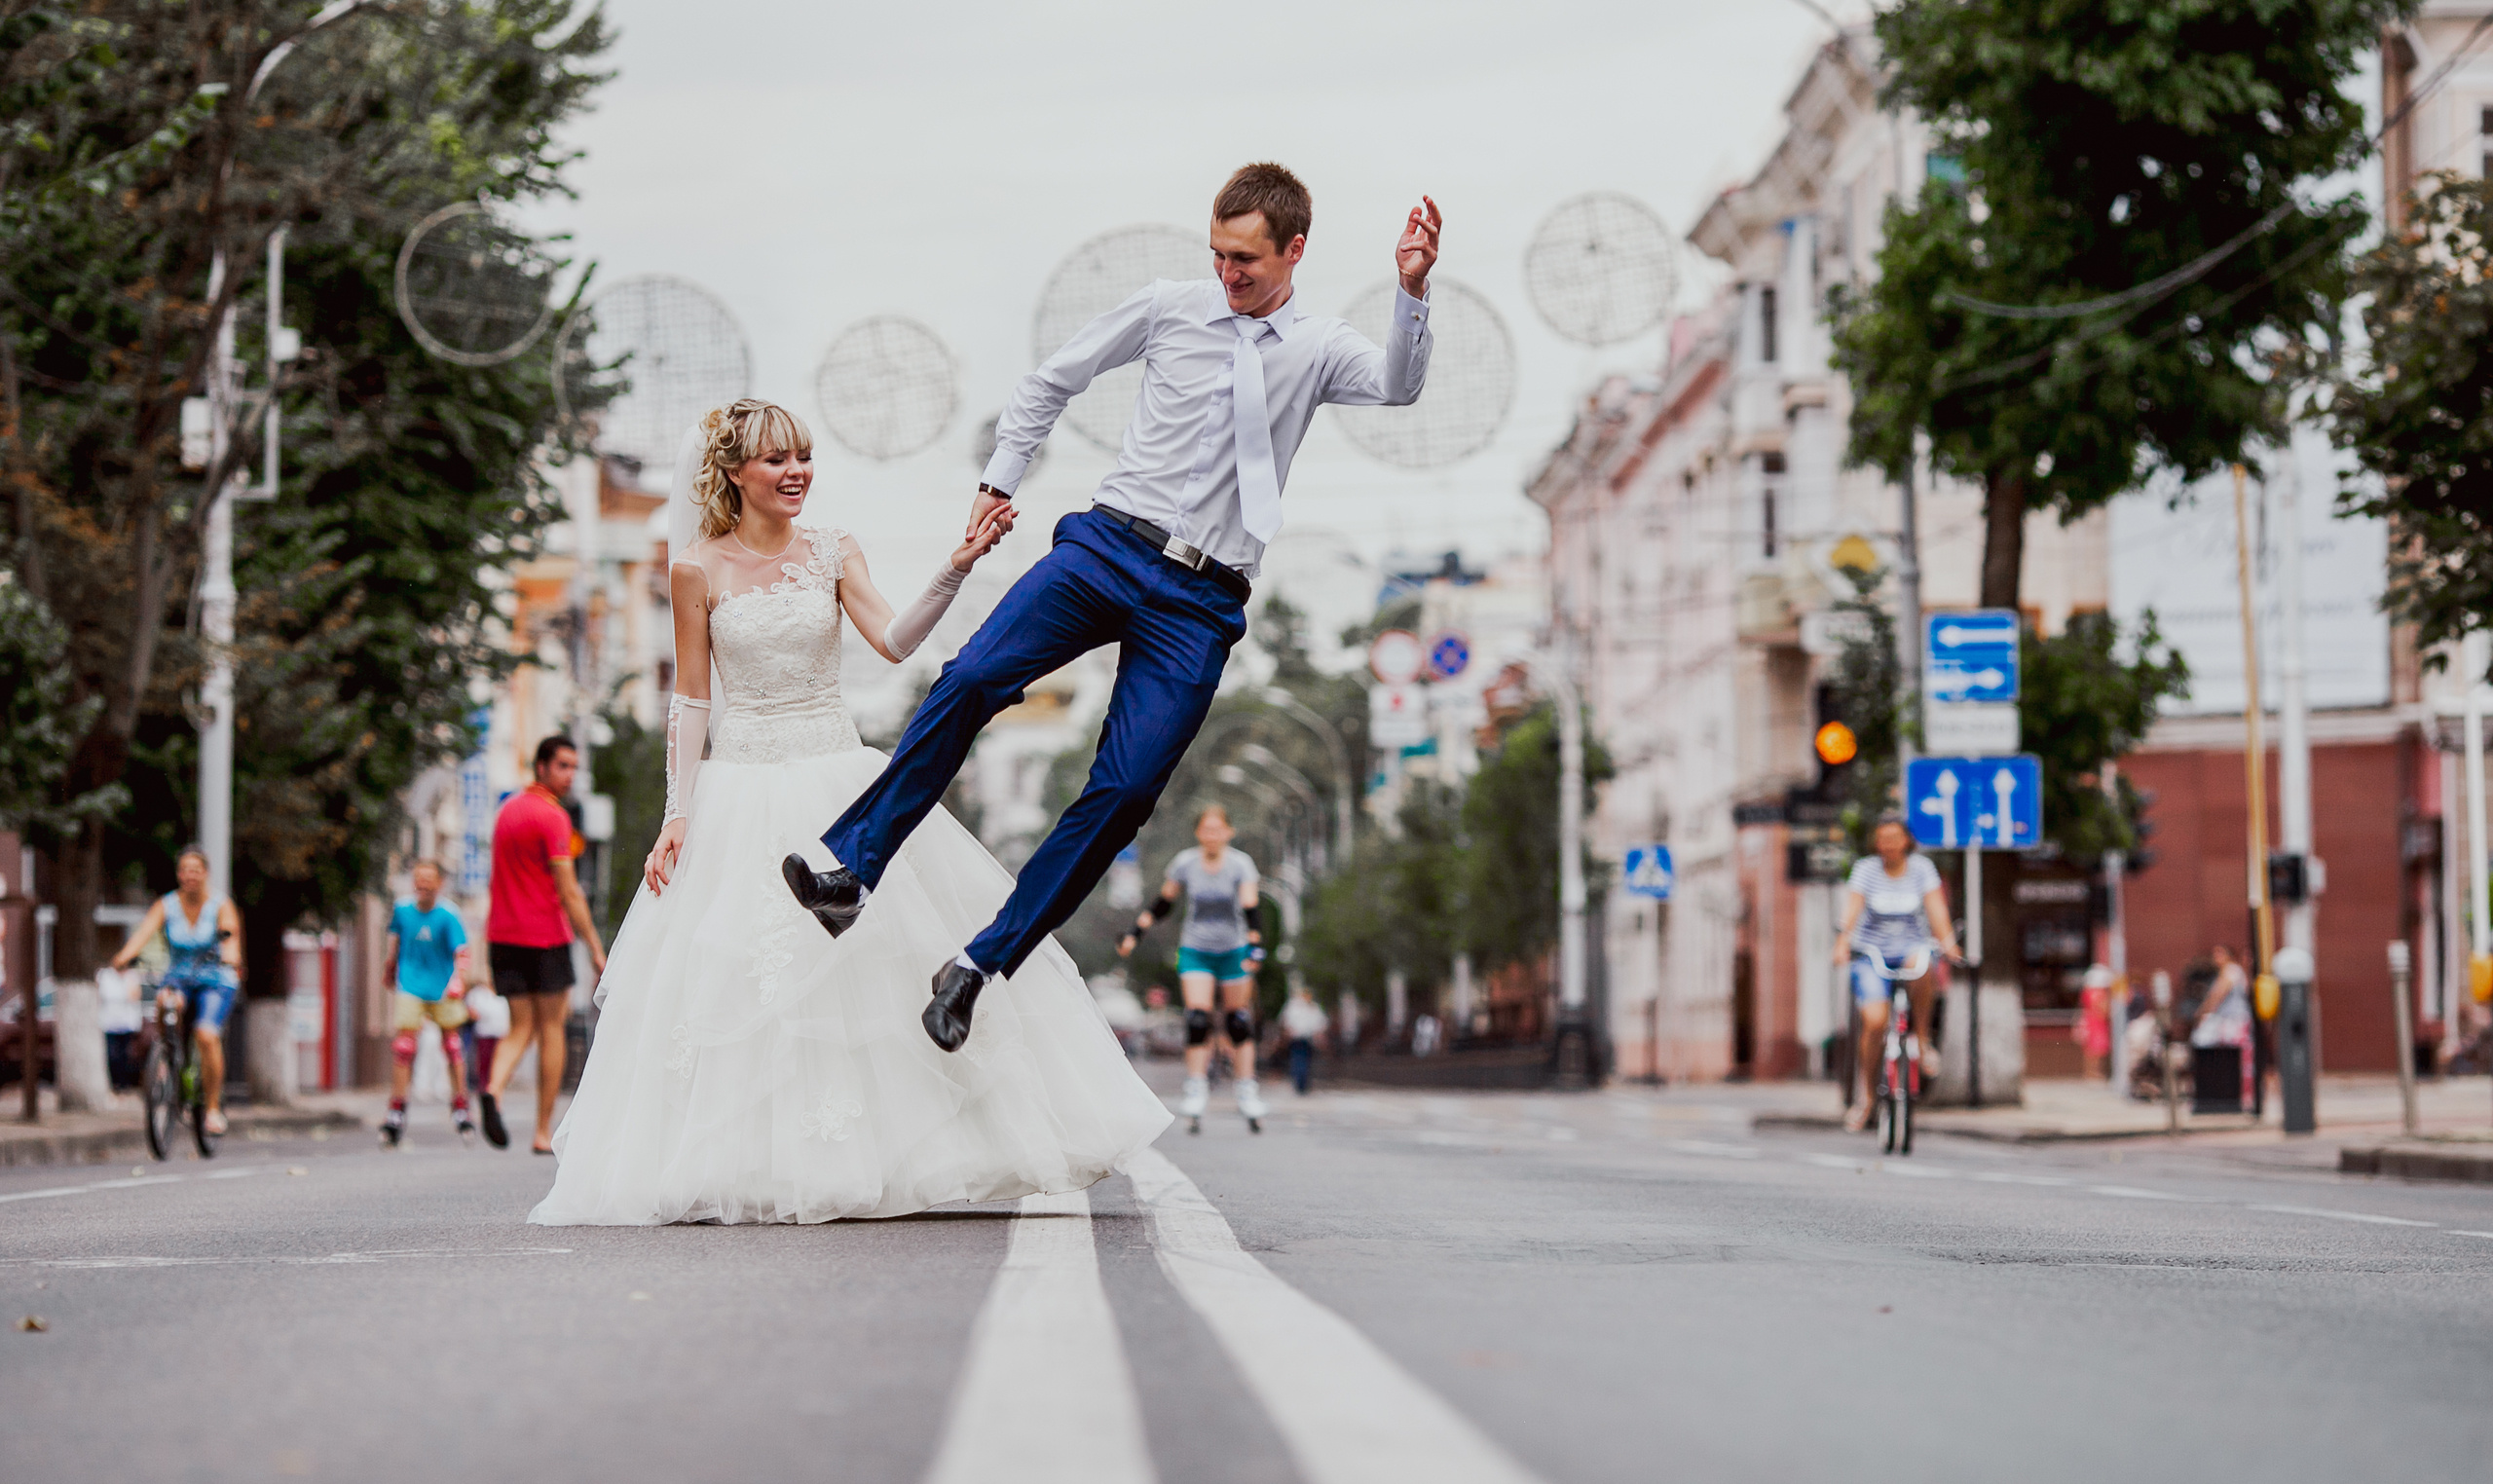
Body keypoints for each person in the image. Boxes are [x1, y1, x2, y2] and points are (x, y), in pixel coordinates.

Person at [786, 163, 1439, 1057]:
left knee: (1126, 791)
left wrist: (1411, 291)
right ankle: (853, 867)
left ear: (1294, 249)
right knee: (973, 675)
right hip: (1107, 548)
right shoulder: (1171, 306)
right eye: (1216, 252)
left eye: (1245, 259)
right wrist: (997, 479)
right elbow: (1051, 380)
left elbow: (1399, 385)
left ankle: (979, 964)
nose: (1227, 273)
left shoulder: (1318, 347)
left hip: (1202, 600)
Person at [529, 399, 1171, 1225]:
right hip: (742, 786)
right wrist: (676, 813)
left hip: (838, 779)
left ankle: (906, 1153)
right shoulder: (695, 568)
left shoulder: (833, 549)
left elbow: (895, 641)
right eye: (775, 460)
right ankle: (759, 1162)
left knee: (875, 970)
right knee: (747, 978)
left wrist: (960, 563)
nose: (796, 471)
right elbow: (690, 700)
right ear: (732, 475)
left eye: (802, 454)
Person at [480, 736, 607, 1154]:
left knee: (520, 1027)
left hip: (502, 935)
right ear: (542, 768)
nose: (570, 775)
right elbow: (569, 891)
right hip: (546, 936)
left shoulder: (506, 812)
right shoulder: (553, 818)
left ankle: (493, 1088)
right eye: (563, 766)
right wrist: (593, 945)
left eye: (573, 767)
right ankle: (540, 1131)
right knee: (550, 1027)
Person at [1119, 805, 1266, 1133]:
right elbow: (1164, 902)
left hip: (1234, 949)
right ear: (1199, 833)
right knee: (1198, 1019)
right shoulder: (1186, 863)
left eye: (1218, 829)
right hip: (1196, 949)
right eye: (1206, 829)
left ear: (1228, 832)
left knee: (1237, 1021)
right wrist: (1135, 933)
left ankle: (1246, 1089)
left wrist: (1255, 945)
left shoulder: (1240, 864)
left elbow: (1250, 907)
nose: (1212, 835)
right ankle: (1196, 1087)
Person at [1832, 817, 1960, 1133]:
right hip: (1870, 953)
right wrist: (1842, 941)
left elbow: (1936, 909)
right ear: (1876, 843)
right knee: (1875, 1021)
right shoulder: (1865, 870)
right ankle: (1865, 1097)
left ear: (1906, 841)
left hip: (1910, 946)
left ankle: (1924, 1040)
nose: (1888, 844)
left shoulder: (1921, 869)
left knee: (1923, 963)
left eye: (1894, 837)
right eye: (1882, 838)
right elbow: (1852, 908)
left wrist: (1949, 943)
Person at [109, 845, 242, 1136]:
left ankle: (212, 1108)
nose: (189, 876)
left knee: (207, 1035)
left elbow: (230, 934)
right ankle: (168, 1055)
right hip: (179, 977)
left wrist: (230, 953)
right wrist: (124, 955)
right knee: (166, 1000)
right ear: (179, 874)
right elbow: (143, 933)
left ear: (205, 873)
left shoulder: (220, 905)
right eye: (184, 870)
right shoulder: (167, 904)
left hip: (215, 980)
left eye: (195, 870)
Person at [382, 860, 475, 1147]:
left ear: (439, 884)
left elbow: (461, 952)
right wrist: (389, 968)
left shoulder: (448, 915)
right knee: (404, 1047)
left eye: (428, 879)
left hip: (442, 986)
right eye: (418, 878)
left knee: (452, 1045)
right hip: (410, 983)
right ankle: (396, 1111)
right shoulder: (402, 909)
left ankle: (460, 1107)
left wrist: (459, 980)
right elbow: (396, 941)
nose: (422, 884)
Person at [2190, 944, 2255, 1106]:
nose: (2216, 958)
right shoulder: (2230, 971)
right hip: (2230, 1020)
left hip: (2234, 1021)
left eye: (2219, 953)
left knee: (2205, 1043)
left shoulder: (2231, 971)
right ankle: (2226, 1091)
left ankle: (2239, 1093)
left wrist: (2201, 1013)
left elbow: (2217, 995)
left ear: (2228, 955)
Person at [1280, 984, 1327, 1095]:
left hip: (1308, 1039)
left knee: (1304, 1061)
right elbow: (1286, 1021)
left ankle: (1302, 1084)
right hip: (1296, 1039)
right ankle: (1299, 1084)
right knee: (1298, 1060)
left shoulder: (1314, 1007)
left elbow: (1320, 1024)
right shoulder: (1293, 1006)